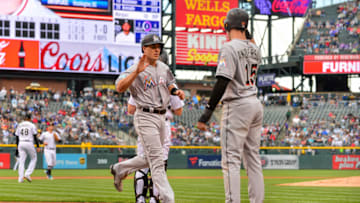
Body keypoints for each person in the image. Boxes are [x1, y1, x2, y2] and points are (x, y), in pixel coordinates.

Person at [197, 8, 264, 203]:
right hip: (255, 103)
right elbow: (249, 42)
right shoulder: (256, 48)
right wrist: (246, 30)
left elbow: (222, 80)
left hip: (237, 105)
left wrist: (207, 113)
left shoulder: (229, 47)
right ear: (245, 26)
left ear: (226, 25)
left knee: (231, 160)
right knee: (253, 160)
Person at [111, 34, 185, 203]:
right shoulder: (134, 68)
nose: (157, 49)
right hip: (145, 116)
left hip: (161, 118)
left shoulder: (163, 67)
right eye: (153, 46)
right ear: (144, 49)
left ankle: (119, 168)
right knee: (158, 162)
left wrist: (176, 92)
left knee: (149, 159)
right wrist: (136, 72)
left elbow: (169, 83)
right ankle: (168, 199)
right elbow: (119, 87)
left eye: (159, 46)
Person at [128, 51, 184, 203]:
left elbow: (130, 109)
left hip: (145, 122)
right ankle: (154, 199)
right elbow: (178, 110)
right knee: (159, 165)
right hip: (161, 122)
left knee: (142, 162)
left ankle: (140, 199)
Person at [15, 113, 40, 183]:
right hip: (28, 142)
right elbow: (35, 136)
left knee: (21, 161)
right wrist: (38, 146)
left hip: (21, 143)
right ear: (29, 119)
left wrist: (17, 148)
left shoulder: (20, 125)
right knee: (34, 158)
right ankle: (27, 174)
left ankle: (20, 179)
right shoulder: (32, 125)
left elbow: (16, 137)